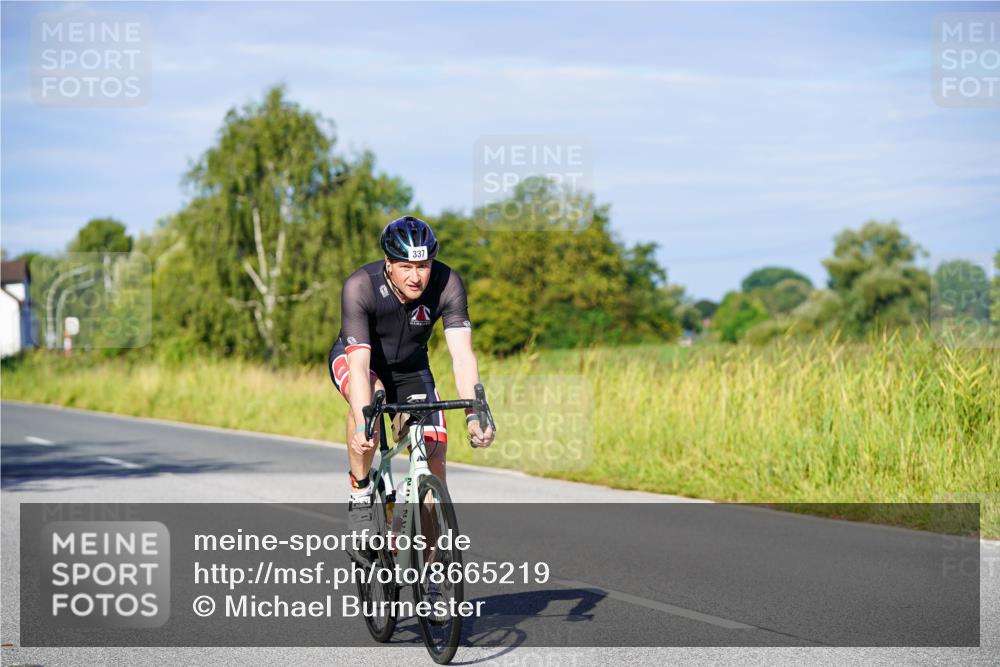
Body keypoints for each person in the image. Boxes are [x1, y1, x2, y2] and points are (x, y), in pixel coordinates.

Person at [329, 215, 495, 562]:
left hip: (411, 371)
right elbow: (358, 366)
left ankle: (433, 578)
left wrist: (474, 415)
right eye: (406, 266)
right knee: (368, 407)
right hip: (362, 361)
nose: (416, 276)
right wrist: (363, 423)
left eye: (424, 265)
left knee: (435, 459)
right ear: (388, 264)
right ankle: (360, 494)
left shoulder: (448, 284)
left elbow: (462, 357)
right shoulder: (360, 285)